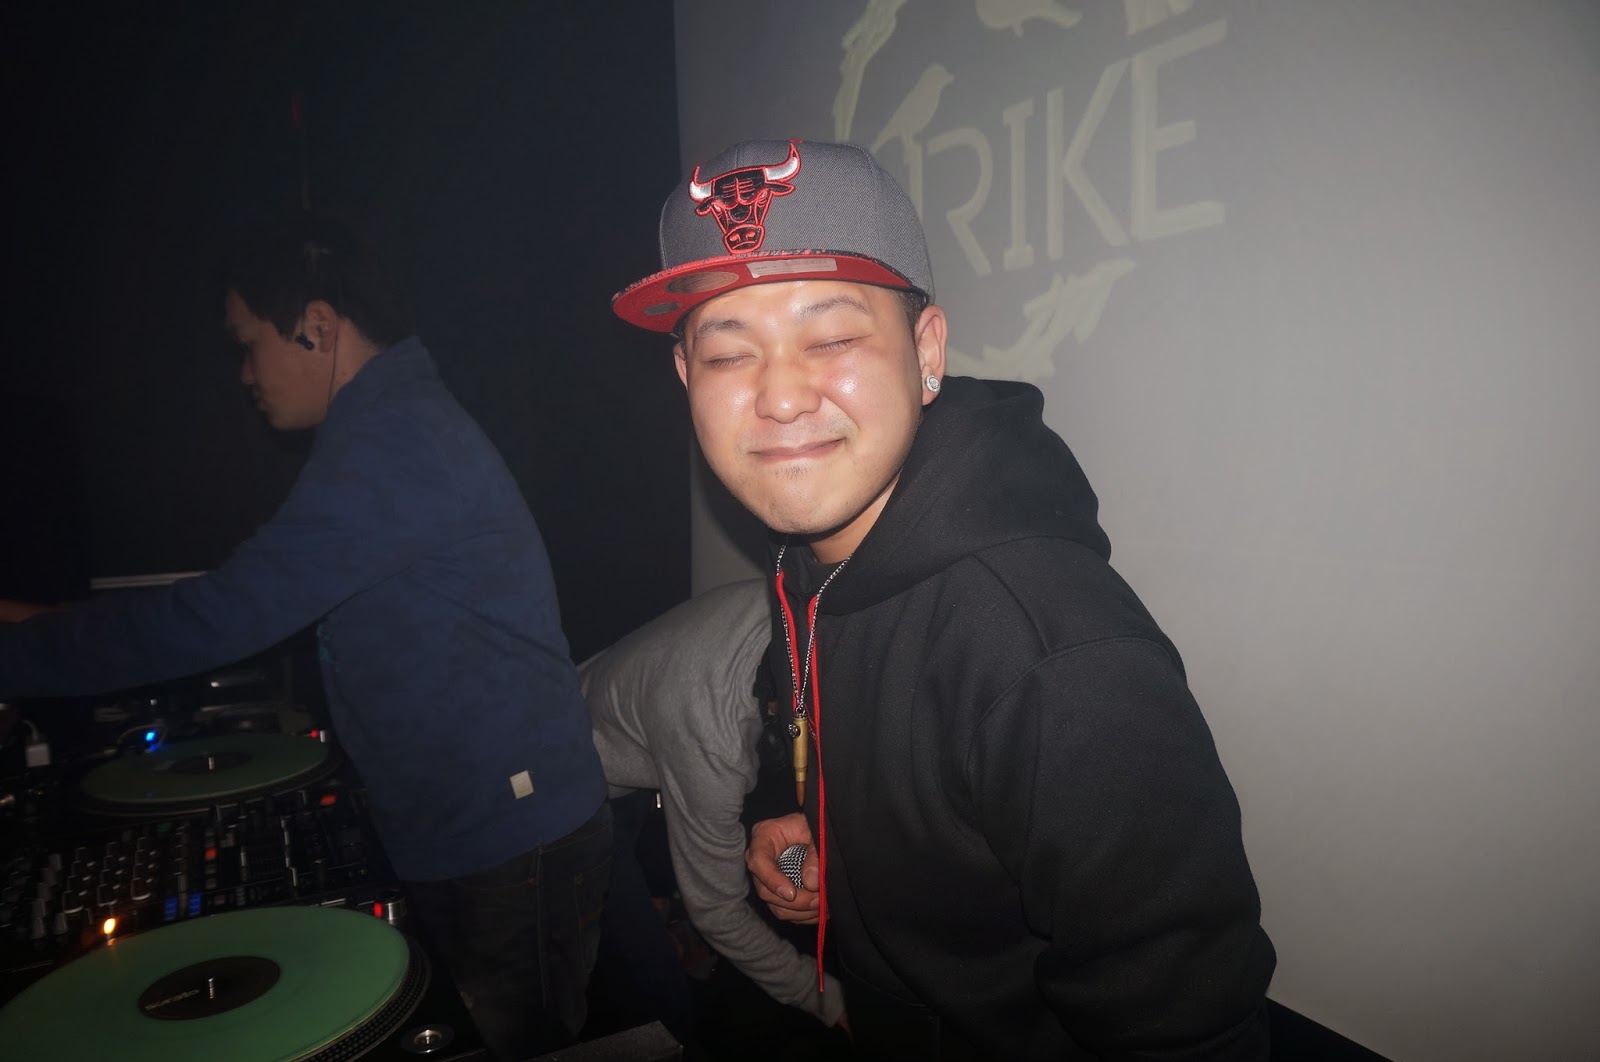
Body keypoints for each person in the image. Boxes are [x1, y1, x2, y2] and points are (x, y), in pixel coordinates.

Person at [611, 138, 1276, 1060]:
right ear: (687, 377)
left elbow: (1187, 1030)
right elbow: (801, 706)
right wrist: (783, 806)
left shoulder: (1057, 661)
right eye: (728, 354)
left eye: (831, 338)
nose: (780, 397)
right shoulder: (810, 560)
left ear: (926, 352)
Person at [0, 214, 611, 1061]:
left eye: (247, 344)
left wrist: (21, 653)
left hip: (507, 836)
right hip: (479, 825)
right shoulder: (388, 425)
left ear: (316, 327)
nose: (245, 373)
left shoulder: (393, 444)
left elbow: (222, 616)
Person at [579, 578, 846, 1037]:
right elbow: (719, 912)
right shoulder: (712, 744)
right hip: (571, 793)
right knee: (651, 981)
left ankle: (662, 910)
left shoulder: (793, 599)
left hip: (626, 718)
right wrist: (829, 1002)